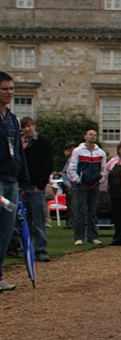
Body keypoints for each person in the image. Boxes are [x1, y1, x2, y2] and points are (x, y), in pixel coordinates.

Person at [0, 72, 31, 292]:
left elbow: (18, 151)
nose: (9, 92)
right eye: (5, 89)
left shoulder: (12, 118)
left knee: (7, 230)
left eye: (11, 88)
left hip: (11, 180)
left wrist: (23, 180)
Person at [67, 129, 108, 246]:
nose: (92, 137)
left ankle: (93, 236)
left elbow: (103, 169)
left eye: (95, 135)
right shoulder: (78, 151)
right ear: (85, 136)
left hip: (94, 185)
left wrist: (100, 179)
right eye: (90, 135)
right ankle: (78, 237)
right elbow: (72, 167)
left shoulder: (100, 153)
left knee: (92, 211)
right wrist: (78, 180)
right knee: (80, 211)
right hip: (82, 185)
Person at [20, 117, 53, 262]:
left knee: (39, 222)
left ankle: (41, 250)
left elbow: (47, 165)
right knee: (23, 222)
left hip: (36, 188)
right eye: (24, 127)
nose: (27, 129)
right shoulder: (20, 144)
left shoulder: (43, 143)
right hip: (22, 188)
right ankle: (26, 250)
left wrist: (41, 185)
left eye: (29, 126)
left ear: (33, 126)